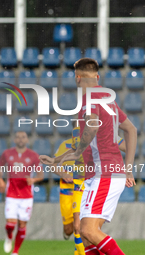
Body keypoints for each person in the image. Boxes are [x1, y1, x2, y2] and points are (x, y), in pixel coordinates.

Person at [59, 58, 137, 255]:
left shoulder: (91, 98)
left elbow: (92, 127)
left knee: (88, 230)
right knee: (84, 235)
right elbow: (130, 130)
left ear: (77, 79)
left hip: (105, 174)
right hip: (98, 175)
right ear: (97, 76)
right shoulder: (106, 98)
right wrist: (127, 168)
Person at [40, 124, 126, 255]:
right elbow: (77, 150)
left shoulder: (101, 128)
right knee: (85, 233)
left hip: (101, 179)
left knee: (88, 230)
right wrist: (54, 160)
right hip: (82, 183)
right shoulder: (78, 129)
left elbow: (126, 145)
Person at [0, 131, 44, 255]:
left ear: (27, 140)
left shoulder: (33, 156)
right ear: (14, 140)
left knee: (22, 224)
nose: (21, 139)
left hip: (27, 196)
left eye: (23, 137)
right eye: (18, 137)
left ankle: (15, 252)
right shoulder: (7, 154)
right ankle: (9, 236)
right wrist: (0, 180)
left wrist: (33, 179)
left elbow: (41, 175)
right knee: (11, 224)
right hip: (11, 194)